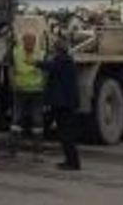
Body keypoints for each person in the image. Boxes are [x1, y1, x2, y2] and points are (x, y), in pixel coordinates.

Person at [6, 31, 46, 159]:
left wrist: (44, 85)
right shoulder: (16, 52)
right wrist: (13, 83)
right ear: (23, 41)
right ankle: (12, 151)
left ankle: (38, 153)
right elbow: (11, 68)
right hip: (20, 90)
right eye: (27, 41)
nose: (30, 44)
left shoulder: (41, 53)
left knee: (37, 122)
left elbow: (46, 71)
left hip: (36, 91)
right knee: (16, 121)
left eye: (32, 42)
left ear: (35, 42)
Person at [44, 38, 82, 171]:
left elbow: (50, 67)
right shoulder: (67, 61)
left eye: (54, 49)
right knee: (66, 134)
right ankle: (70, 161)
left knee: (66, 134)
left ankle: (72, 163)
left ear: (58, 50)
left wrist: (35, 63)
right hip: (67, 103)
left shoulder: (62, 61)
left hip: (63, 104)